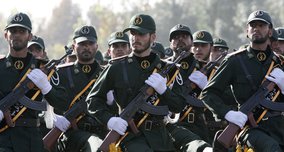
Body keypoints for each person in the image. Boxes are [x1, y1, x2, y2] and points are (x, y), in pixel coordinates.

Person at [87, 14, 212, 152]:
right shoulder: (117, 67)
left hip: (161, 135)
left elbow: (178, 105)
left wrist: (164, 91)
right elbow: (93, 99)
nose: (135, 38)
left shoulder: (168, 69)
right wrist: (110, 120)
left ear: (153, 37)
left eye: (141, 34)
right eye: (133, 33)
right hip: (131, 137)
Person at [201, 10, 284, 151]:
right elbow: (208, 94)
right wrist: (228, 114)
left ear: (270, 31)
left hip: (279, 125)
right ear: (247, 31)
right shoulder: (235, 61)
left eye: (261, 25)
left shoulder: (280, 63)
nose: (256, 28)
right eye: (253, 25)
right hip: (251, 128)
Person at [0, 12, 67, 152]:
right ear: (6, 35)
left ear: (30, 36)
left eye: (22, 31)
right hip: (1, 137)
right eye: (13, 31)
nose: (17, 35)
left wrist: (46, 87)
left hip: (32, 139)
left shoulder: (42, 68)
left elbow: (63, 103)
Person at [47, 25, 105, 152]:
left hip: (103, 133)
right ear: (73, 47)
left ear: (97, 46)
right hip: (73, 135)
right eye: (82, 43)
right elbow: (56, 105)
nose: (87, 47)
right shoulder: (61, 73)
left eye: (90, 43)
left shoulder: (106, 74)